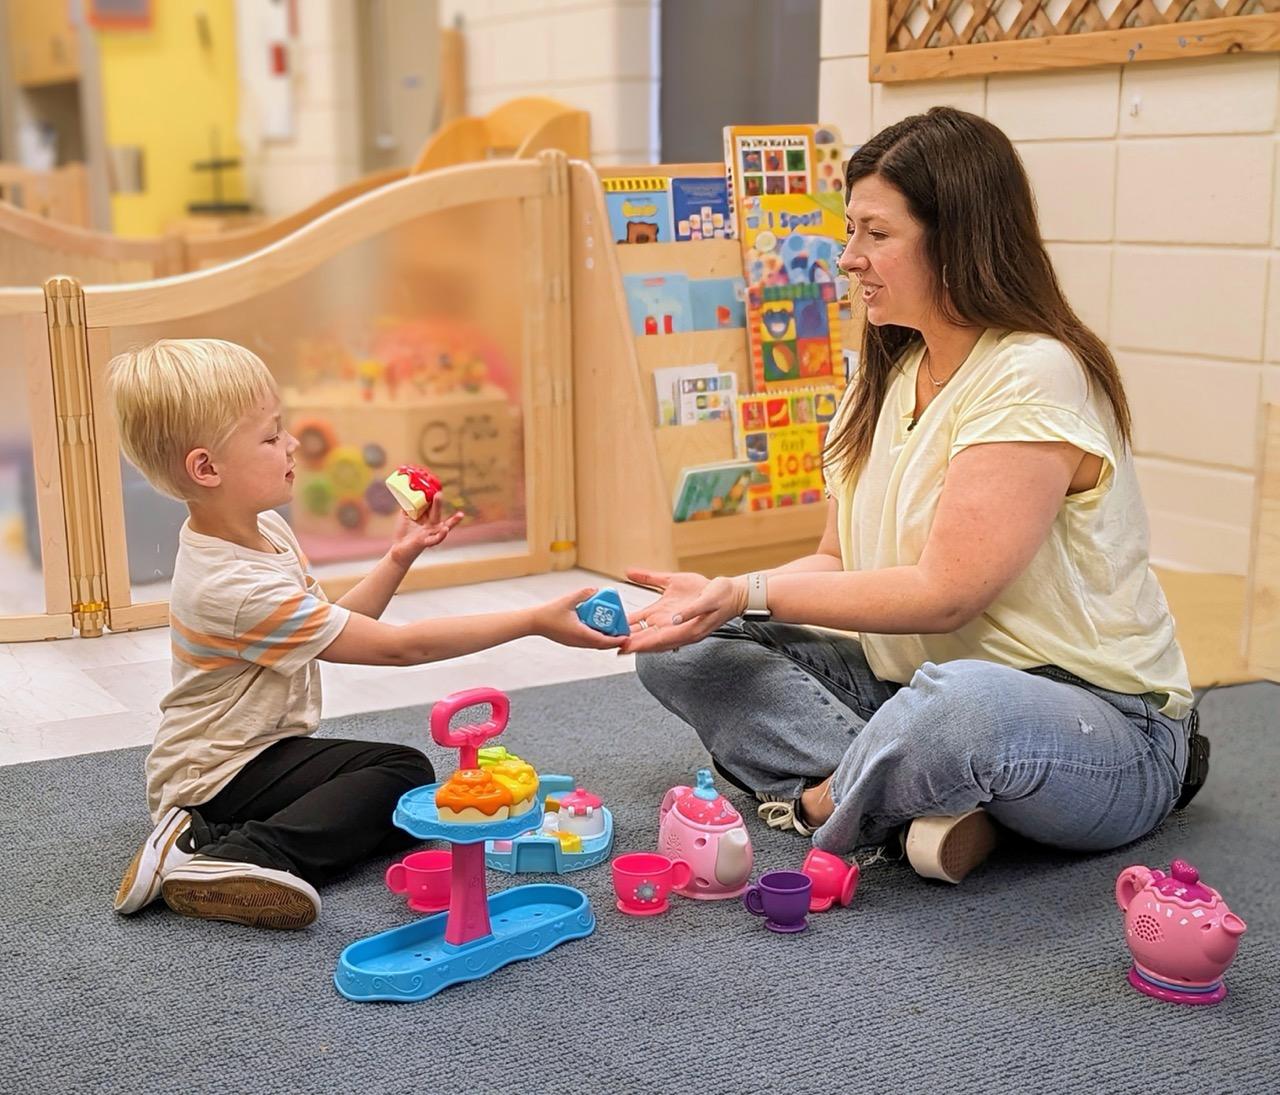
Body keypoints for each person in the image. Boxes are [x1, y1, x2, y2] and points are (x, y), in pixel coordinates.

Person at [624, 107, 1197, 885]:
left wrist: (749, 591)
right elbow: (835, 561)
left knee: (964, 707)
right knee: (684, 646)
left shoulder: (1034, 371)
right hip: (909, 693)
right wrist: (718, 598)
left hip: (1102, 727)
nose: (848, 257)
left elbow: (945, 594)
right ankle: (927, 798)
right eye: (849, 230)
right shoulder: (886, 377)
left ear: (956, 238)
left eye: (876, 233)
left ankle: (826, 802)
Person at [110, 338, 622, 928]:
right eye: (271, 437)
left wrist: (399, 556)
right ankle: (236, 855)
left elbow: (336, 625)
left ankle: (199, 836)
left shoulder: (263, 530)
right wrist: (532, 622)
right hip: (216, 773)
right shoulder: (233, 585)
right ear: (206, 468)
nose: (292, 443)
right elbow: (403, 648)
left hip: (251, 756)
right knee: (401, 775)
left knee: (403, 799)